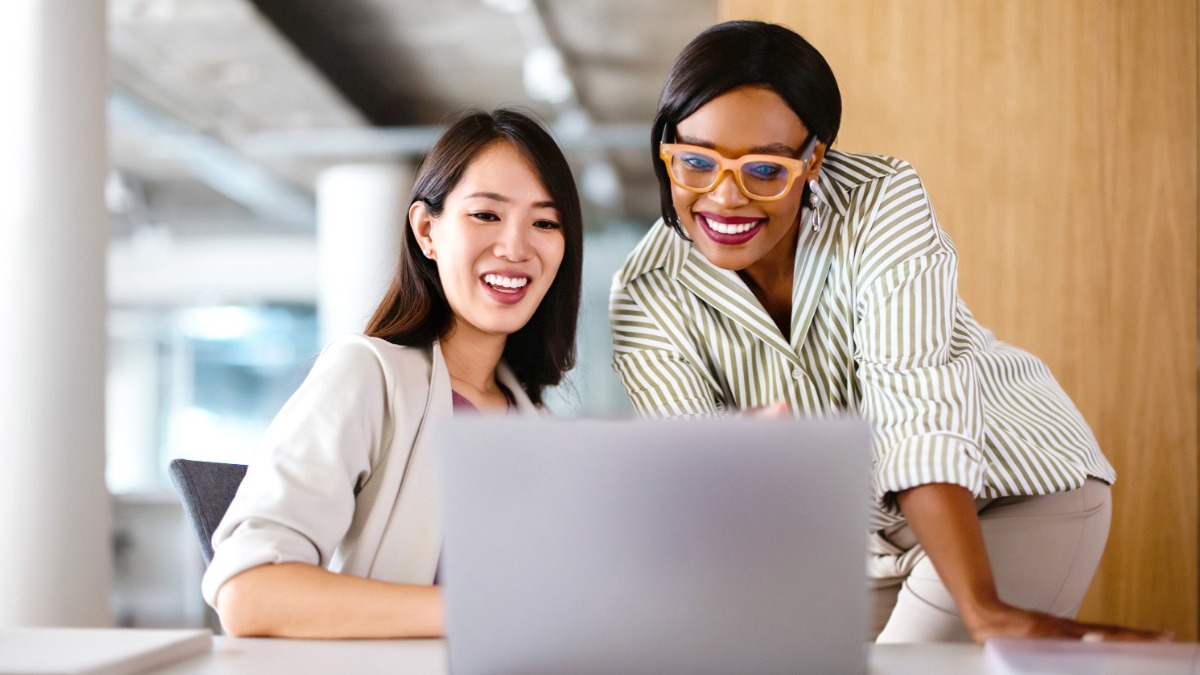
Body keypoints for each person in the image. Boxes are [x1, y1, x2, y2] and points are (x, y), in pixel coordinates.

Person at [609, 20, 1169, 644]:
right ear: (667, 148)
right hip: (862, 544)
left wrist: (982, 608)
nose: (724, 198)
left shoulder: (880, 202)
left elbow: (914, 406)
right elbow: (704, 482)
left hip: (1009, 496)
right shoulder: (646, 293)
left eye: (764, 170)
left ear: (812, 159)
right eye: (696, 162)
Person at [202, 108, 583, 638]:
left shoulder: (536, 421)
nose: (516, 247)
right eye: (486, 215)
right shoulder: (368, 375)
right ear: (427, 231)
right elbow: (250, 592)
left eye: (545, 223)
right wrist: (482, 613)